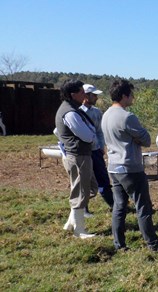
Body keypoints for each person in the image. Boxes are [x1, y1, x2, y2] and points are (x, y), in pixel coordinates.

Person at [102, 79, 158, 251]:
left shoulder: (106, 114)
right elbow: (146, 139)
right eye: (131, 94)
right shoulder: (127, 117)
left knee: (119, 206)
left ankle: (119, 244)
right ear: (124, 95)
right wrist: (135, 137)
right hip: (130, 167)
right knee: (143, 207)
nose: (133, 97)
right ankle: (153, 244)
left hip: (113, 166)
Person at [55, 79, 97, 239]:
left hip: (79, 155)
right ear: (73, 95)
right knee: (80, 190)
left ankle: (71, 223)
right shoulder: (70, 112)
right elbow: (86, 136)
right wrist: (92, 136)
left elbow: (56, 131)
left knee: (89, 187)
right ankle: (79, 230)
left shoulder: (71, 109)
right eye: (81, 92)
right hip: (78, 156)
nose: (84, 94)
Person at [80, 84, 114, 212]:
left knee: (103, 178)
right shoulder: (77, 112)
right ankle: (84, 208)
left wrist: (101, 146)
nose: (96, 97)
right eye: (94, 95)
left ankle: (113, 205)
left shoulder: (97, 112)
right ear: (86, 95)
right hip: (83, 152)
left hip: (96, 151)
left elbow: (100, 131)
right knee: (85, 180)